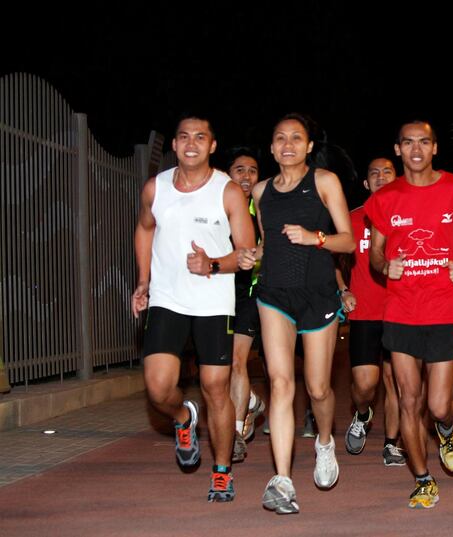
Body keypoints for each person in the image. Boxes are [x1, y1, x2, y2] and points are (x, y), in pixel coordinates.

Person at [131, 114, 255, 502]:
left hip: (214, 301)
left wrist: (213, 264)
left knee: (215, 387)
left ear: (212, 146)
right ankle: (184, 418)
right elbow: (146, 229)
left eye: (200, 137)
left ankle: (221, 473)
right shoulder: (157, 188)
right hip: (168, 298)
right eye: (184, 137)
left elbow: (249, 256)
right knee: (157, 388)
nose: (191, 143)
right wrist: (143, 281)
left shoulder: (228, 191)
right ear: (174, 144)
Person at [365, 120, 453, 509]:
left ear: (434, 148)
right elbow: (376, 253)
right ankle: (422, 479)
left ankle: (448, 426)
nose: (416, 149)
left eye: (423, 142)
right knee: (408, 400)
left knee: (437, 405)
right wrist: (386, 267)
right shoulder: (386, 197)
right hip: (401, 308)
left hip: (446, 307)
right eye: (408, 143)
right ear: (398, 149)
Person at [239, 113, 355, 514]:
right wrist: (254, 256)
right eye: (279, 138)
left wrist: (314, 238)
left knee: (318, 388)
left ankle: (324, 440)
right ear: (271, 148)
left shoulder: (324, 182)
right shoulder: (259, 191)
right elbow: (267, 244)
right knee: (281, 382)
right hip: (273, 296)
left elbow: (349, 241)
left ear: (308, 146)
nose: (287, 144)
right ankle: (283, 480)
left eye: (296, 138)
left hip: (319, 295)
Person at [338, 157, 406, 467]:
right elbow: (331, 261)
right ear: (366, 183)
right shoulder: (352, 219)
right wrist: (343, 289)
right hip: (364, 311)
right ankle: (363, 415)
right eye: (374, 173)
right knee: (365, 385)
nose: (380, 177)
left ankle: (392, 443)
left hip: (400, 312)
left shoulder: (408, 219)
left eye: (387, 172)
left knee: (397, 382)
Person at [226, 148, 267, 464]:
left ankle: (236, 433)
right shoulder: (217, 205)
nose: (246, 176)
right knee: (218, 366)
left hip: (248, 292)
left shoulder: (263, 206)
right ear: (228, 174)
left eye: (252, 170)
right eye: (239, 169)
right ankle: (251, 401)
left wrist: (261, 254)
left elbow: (270, 243)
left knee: (238, 361)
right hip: (215, 292)